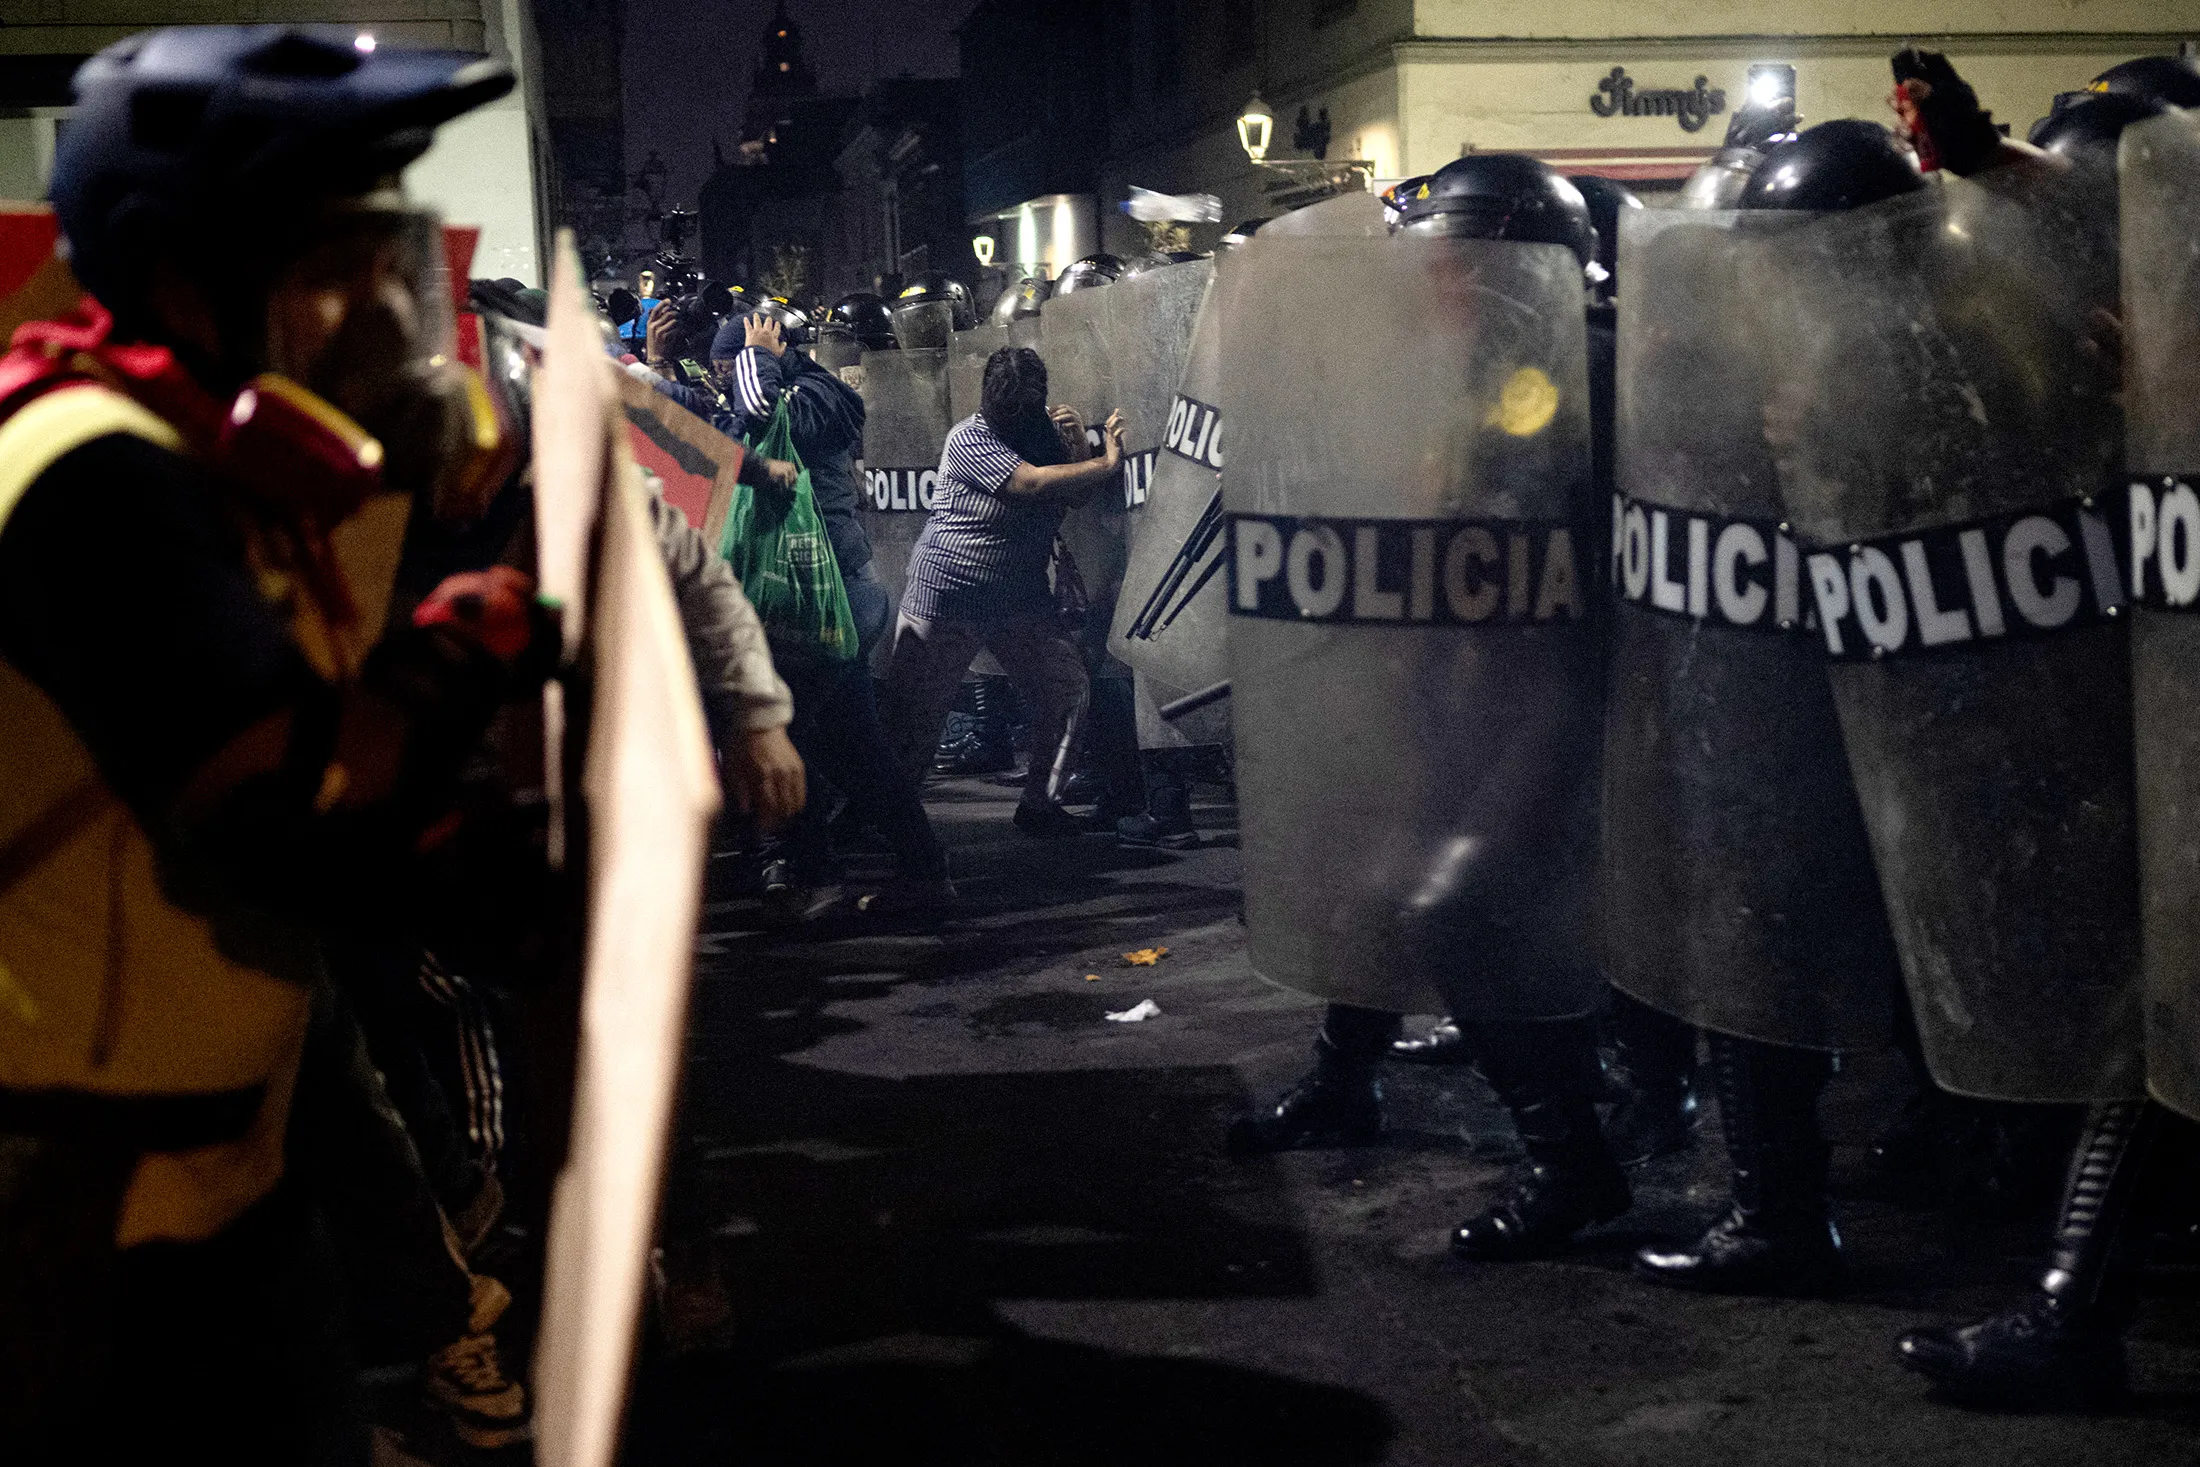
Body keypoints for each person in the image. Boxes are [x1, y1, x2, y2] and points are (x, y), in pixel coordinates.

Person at [0, 26, 548, 1461]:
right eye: (324, 265)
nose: (368, 304)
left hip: (214, 1186)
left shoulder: (200, 461)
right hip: (78, 1236)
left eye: (380, 257)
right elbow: (306, 831)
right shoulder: (94, 480)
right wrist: (467, 667)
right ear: (183, 269)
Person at [1226, 156, 1629, 1265]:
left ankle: (1568, 1163)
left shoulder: (1587, 361)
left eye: (1443, 254)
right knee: (1374, 868)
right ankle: (1342, 1081)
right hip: (1469, 686)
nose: (1427, 277)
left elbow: (1552, 548)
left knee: (1450, 900)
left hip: (1555, 695)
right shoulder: (1487, 361)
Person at [883, 345, 1125, 838]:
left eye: (1022, 403)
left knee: (1067, 692)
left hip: (1019, 599)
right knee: (915, 724)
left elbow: (1072, 494)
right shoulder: (969, 437)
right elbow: (1032, 485)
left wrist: (1078, 443)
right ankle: (888, 824)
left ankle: (1040, 804)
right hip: (946, 595)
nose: (1011, 413)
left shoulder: (1042, 436)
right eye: (1004, 403)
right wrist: (1106, 462)